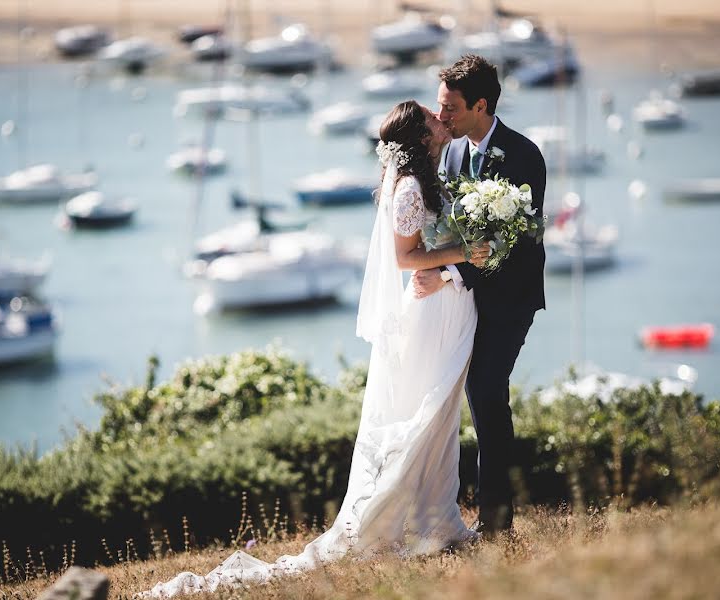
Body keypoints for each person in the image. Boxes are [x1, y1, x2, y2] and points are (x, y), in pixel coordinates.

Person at [136, 100, 489, 598]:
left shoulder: (432, 173)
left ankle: (436, 517)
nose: (441, 119)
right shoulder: (409, 186)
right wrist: (466, 252)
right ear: (420, 136)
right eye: (433, 119)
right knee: (425, 413)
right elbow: (405, 257)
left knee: (439, 414)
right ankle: (408, 519)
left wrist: (455, 259)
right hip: (429, 315)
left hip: (446, 309)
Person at [413, 54, 546, 537]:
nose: (441, 115)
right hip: (464, 301)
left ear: (482, 105)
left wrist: (447, 275)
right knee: (459, 395)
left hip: (510, 300)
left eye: (450, 107)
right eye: (440, 105)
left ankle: (496, 521)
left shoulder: (524, 154)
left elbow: (508, 246)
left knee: (486, 392)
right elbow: (452, 231)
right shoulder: (449, 154)